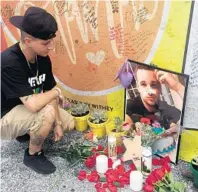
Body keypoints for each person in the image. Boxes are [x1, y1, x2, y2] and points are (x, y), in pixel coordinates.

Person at [1, 6, 74, 174]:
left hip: (23, 108)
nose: (51, 47)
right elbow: (35, 104)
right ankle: (33, 154)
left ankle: (27, 130)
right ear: (28, 41)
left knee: (69, 123)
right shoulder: (8, 61)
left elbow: (49, 90)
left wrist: (58, 124)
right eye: (46, 43)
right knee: (46, 113)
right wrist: (56, 93)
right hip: (4, 115)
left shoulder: (42, 58)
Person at [126, 64, 185, 136]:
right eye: (143, 84)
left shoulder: (165, 108)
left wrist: (177, 86)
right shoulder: (129, 107)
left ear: (160, 87)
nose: (150, 91)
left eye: (153, 84)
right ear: (138, 87)